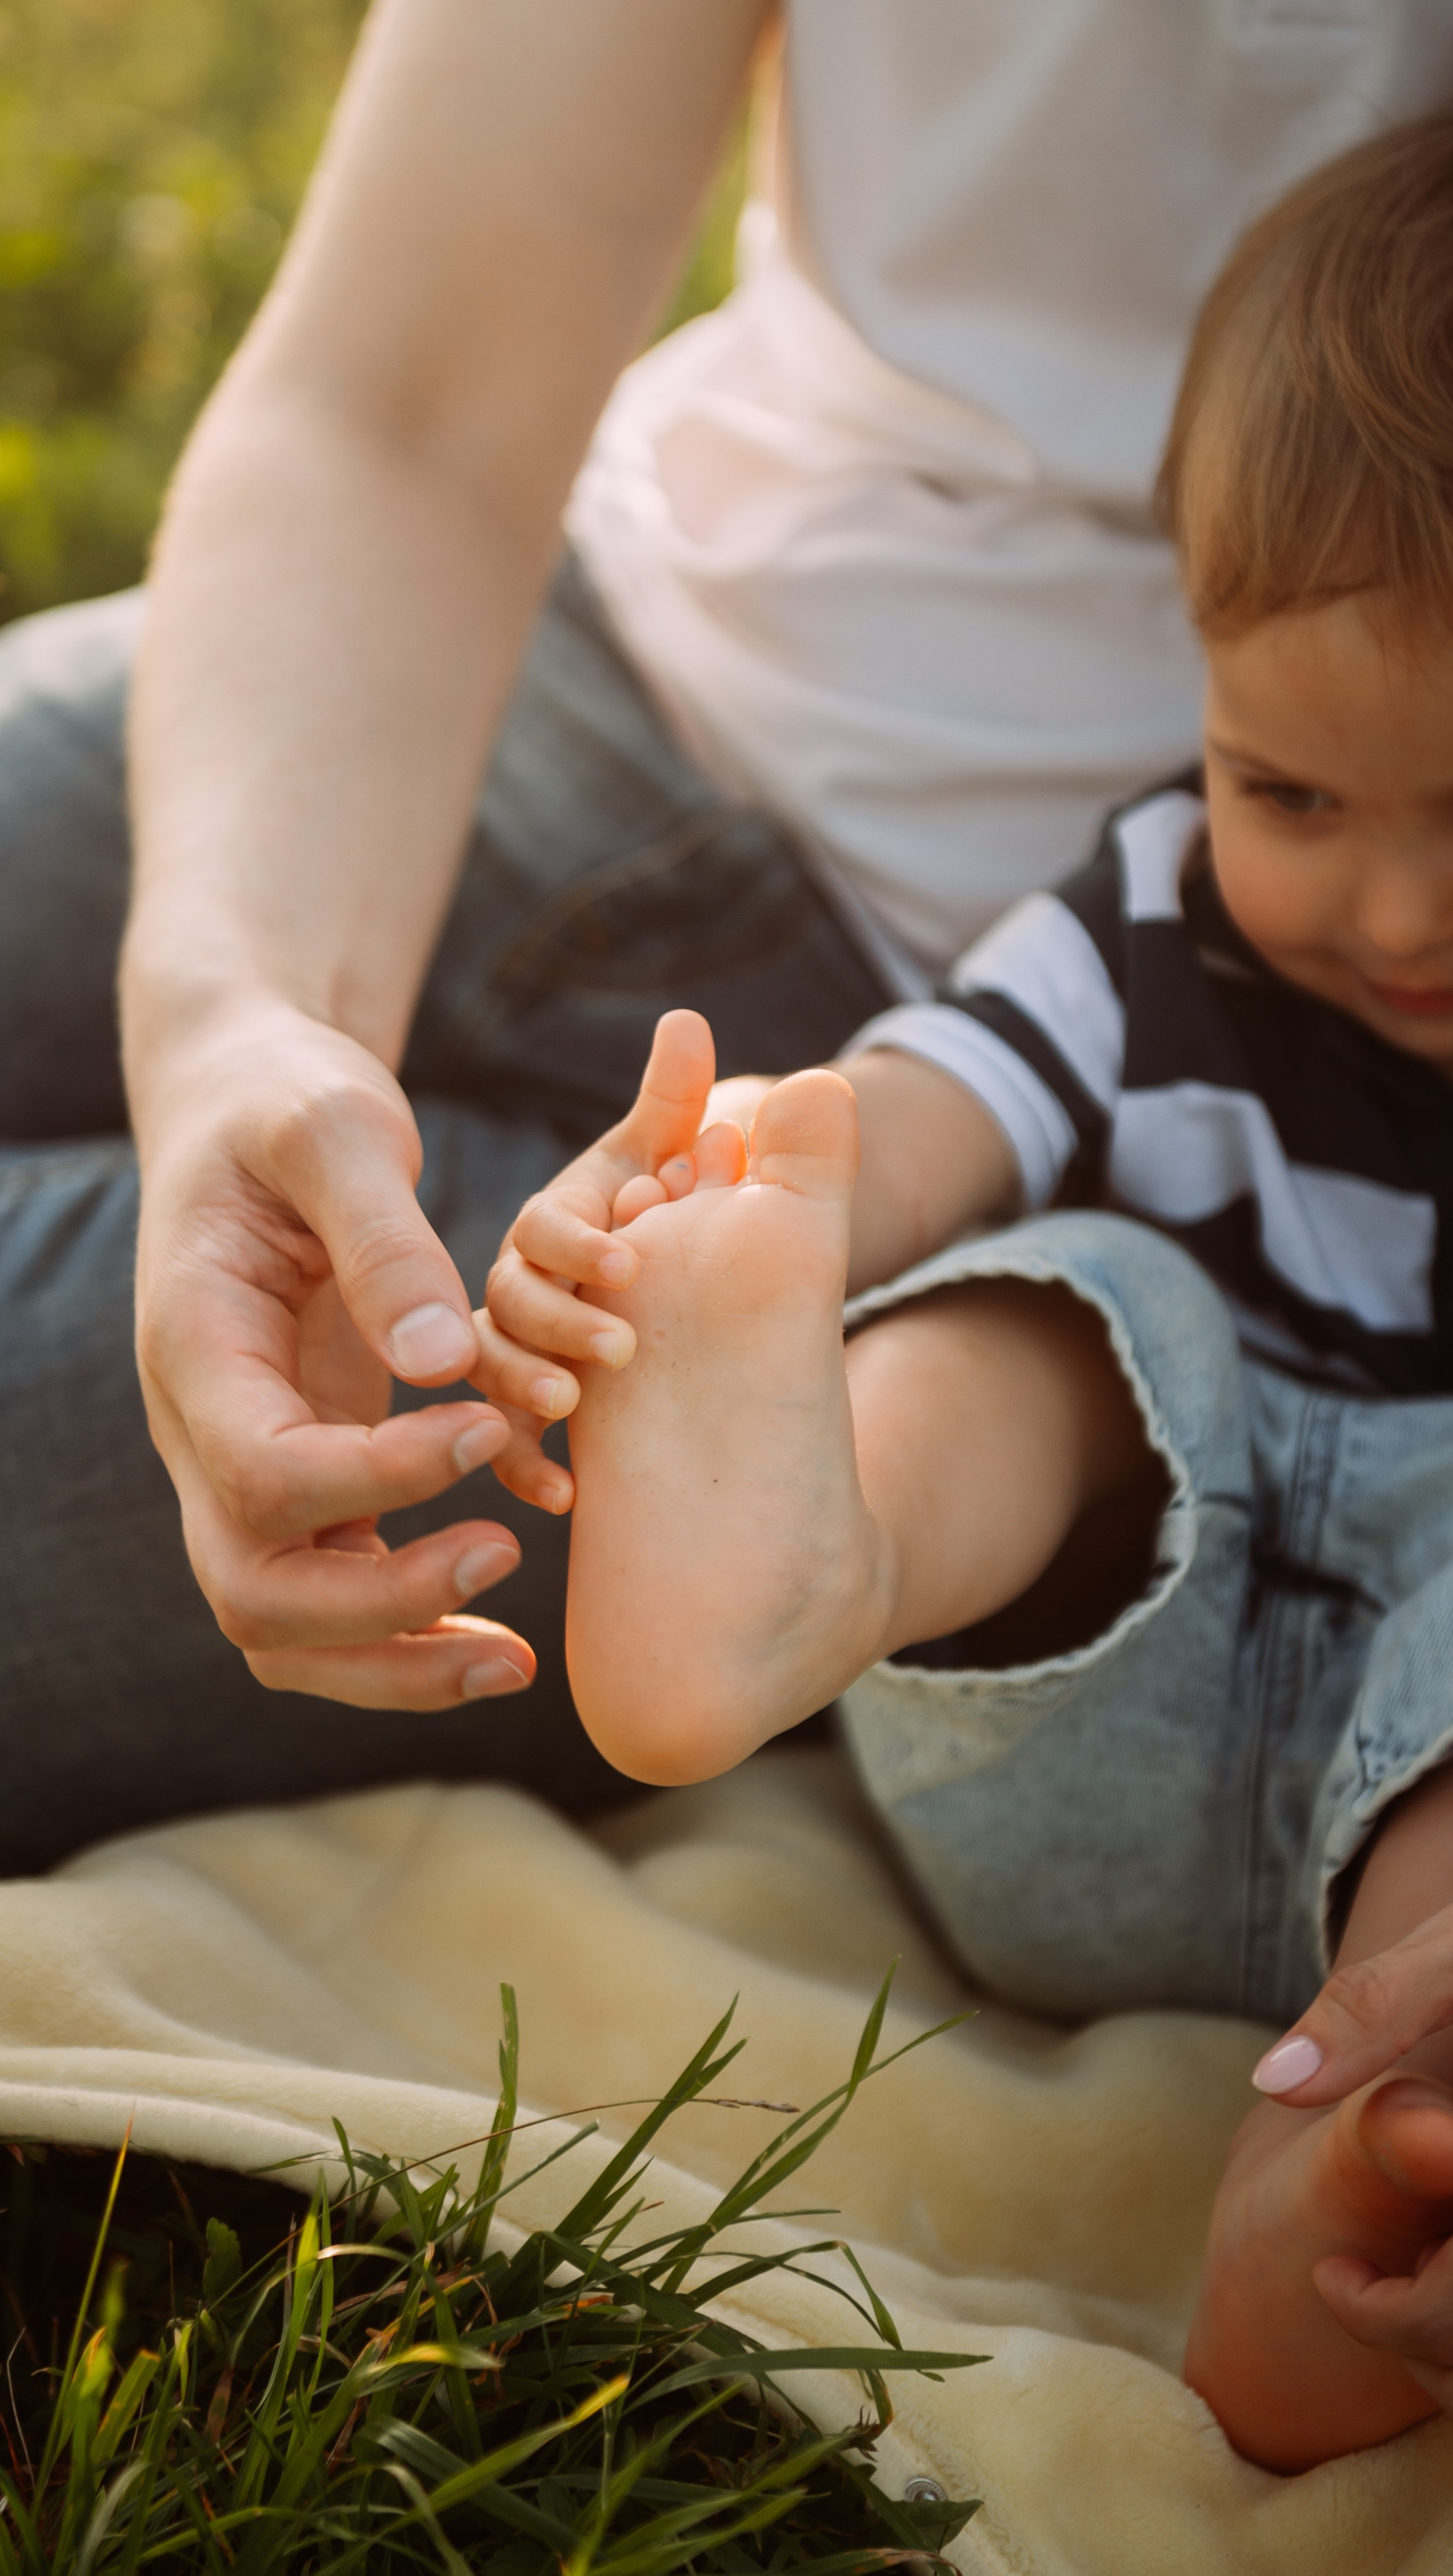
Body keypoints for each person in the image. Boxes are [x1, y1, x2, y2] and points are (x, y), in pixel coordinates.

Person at [0, 4, 1451, 1869]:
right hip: (545, 658)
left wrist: (752, 1259)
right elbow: (388, 401)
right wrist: (242, 1016)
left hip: (1058, 1127)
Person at [477, 116, 1453, 2470]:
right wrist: (782, 1205)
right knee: (1065, 1289)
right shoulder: (1158, 916)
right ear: (1195, 681)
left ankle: (1350, 2169)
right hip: (1079, 1685)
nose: (1391, 918)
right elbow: (948, 1100)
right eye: (1285, 793)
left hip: (1414, 1792)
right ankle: (812, 1562)